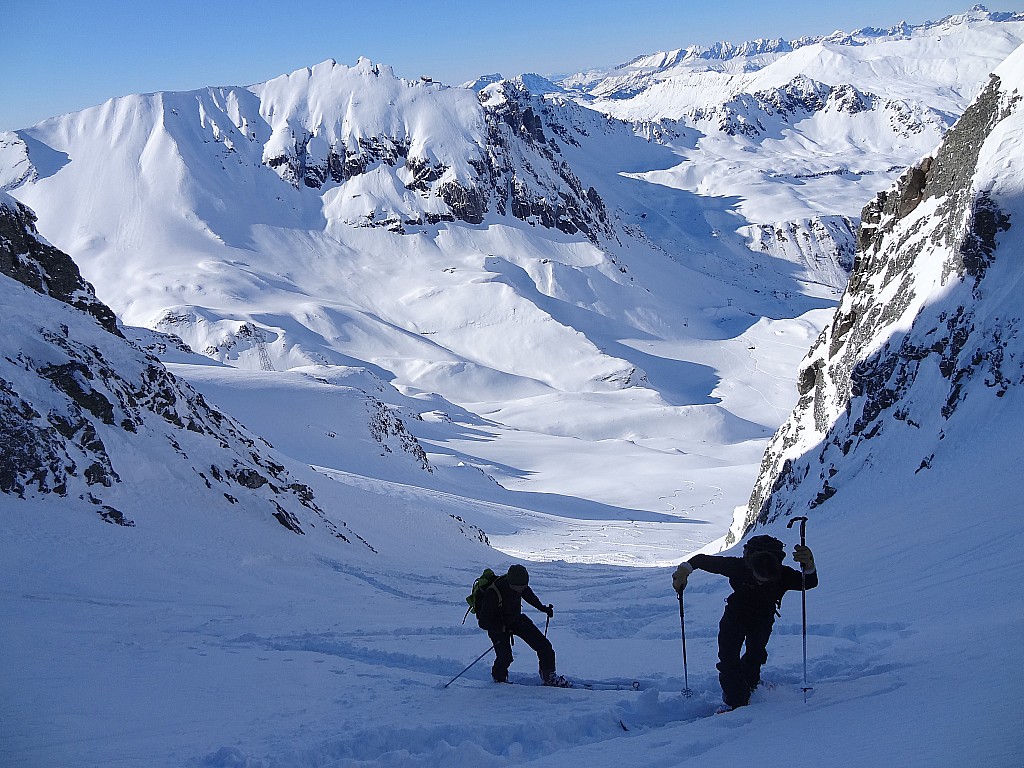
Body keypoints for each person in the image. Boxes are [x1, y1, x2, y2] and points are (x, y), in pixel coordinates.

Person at [672, 535, 817, 710]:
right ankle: (735, 700)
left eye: (765, 581)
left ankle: (750, 684)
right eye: (757, 578)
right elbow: (701, 560)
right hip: (735, 615)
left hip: (763, 617)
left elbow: (808, 582)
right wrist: (683, 570)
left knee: (755, 654)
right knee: (728, 657)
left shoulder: (783, 574)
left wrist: (809, 564)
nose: (760, 582)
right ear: (750, 566)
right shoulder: (738, 566)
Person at [475, 564, 570, 686]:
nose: (524, 589)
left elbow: (528, 595)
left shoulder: (520, 584)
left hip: (515, 620)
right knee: (505, 657)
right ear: (512, 584)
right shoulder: (493, 593)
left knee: (545, 646)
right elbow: (483, 622)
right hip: (498, 627)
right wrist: (502, 628)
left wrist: (543, 608)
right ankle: (499, 681)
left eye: (525, 585)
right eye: (521, 587)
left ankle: (549, 677)